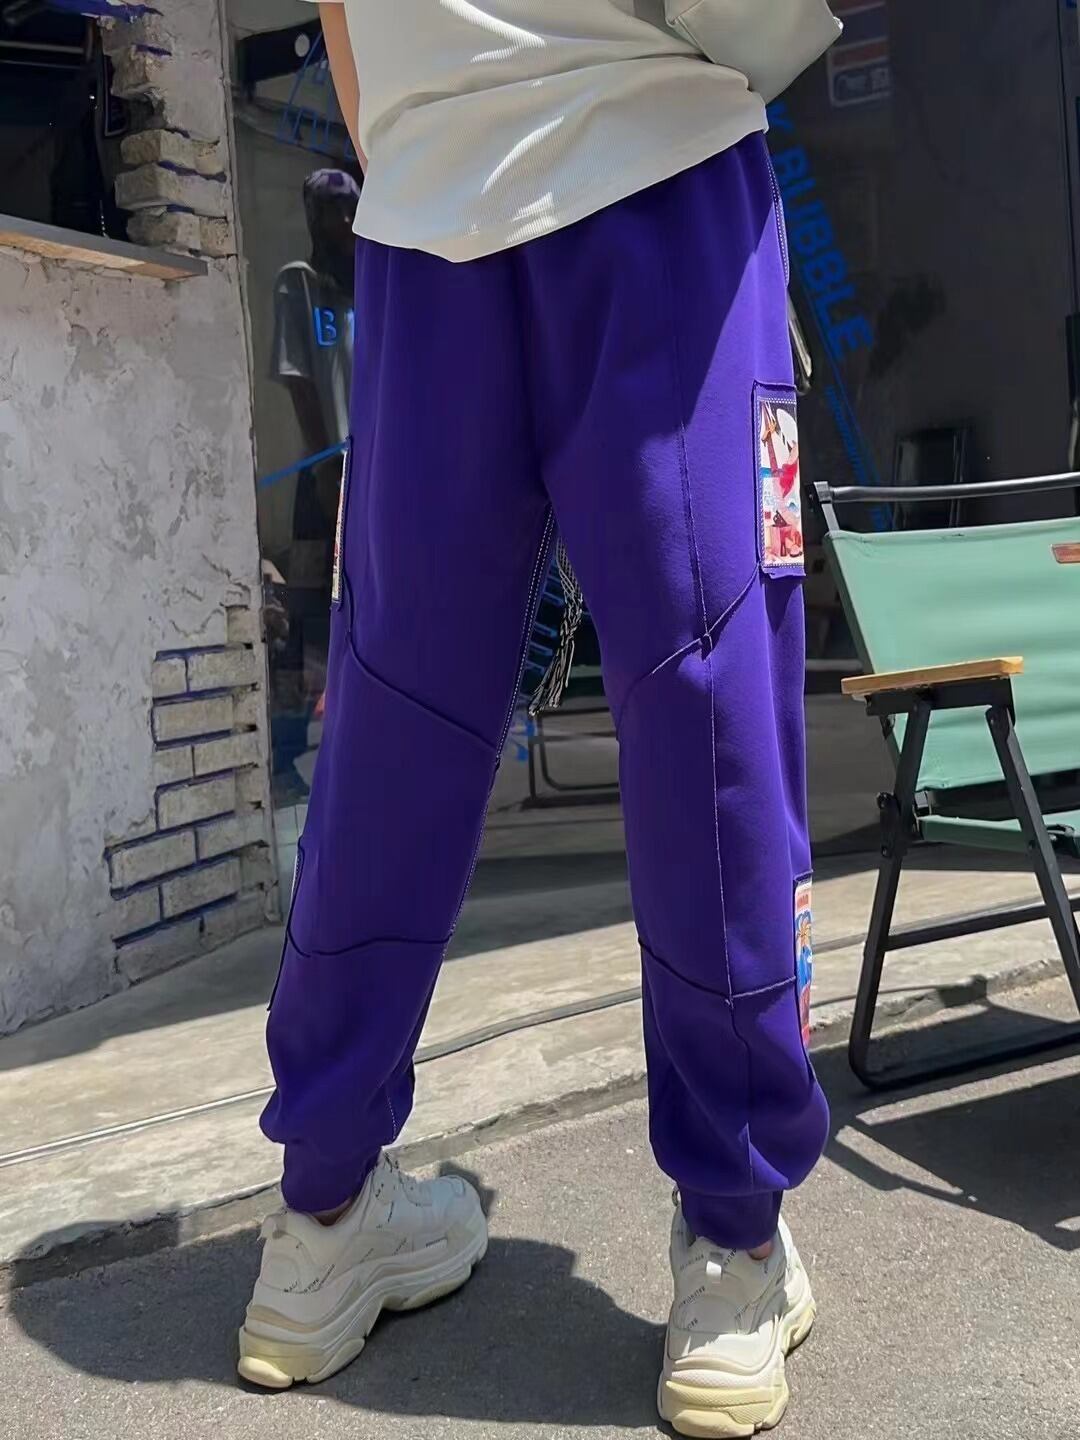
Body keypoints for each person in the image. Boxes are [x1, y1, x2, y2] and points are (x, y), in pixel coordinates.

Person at [240, 4, 840, 1433]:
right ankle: (732, 1245)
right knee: (707, 700)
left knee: (394, 714)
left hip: (424, 215)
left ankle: (322, 1218)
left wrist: (437, 123)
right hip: (655, 164)